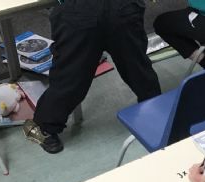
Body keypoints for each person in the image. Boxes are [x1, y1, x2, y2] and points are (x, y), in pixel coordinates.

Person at [23, 0, 161, 154]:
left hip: (121, 8)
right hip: (77, 11)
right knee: (70, 78)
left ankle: (157, 110)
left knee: (138, 69)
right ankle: (44, 126)